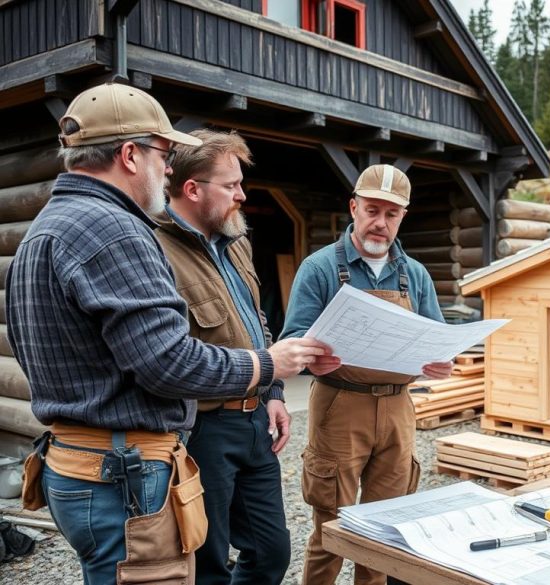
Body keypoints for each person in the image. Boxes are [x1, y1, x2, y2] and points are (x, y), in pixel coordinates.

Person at [4, 83, 333, 585]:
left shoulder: (49, 225)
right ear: (130, 155)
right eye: (163, 153)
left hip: (83, 462)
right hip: (122, 470)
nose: (168, 167)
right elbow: (168, 364)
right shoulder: (113, 230)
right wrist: (270, 365)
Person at [156, 129, 322, 584]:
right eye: (231, 185)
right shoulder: (156, 251)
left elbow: (258, 325)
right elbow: (170, 355)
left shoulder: (238, 241)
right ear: (192, 189)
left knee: (271, 554)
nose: (242, 195)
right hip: (201, 429)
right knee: (207, 562)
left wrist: (273, 392)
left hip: (255, 422)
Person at [281, 164, 452, 585]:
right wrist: (308, 356)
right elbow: (293, 338)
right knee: (330, 527)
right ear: (353, 207)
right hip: (340, 404)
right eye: (372, 210)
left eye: (391, 214)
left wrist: (440, 361)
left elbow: (437, 335)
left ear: (402, 217)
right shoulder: (320, 268)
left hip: (398, 407)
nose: (380, 223)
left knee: (384, 526)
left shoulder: (415, 275)